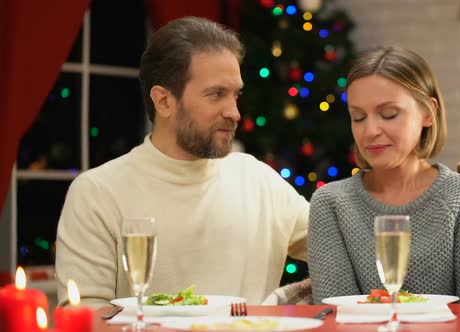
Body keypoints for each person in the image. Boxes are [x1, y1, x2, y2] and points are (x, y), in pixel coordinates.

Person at [55, 16, 309, 309]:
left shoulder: (258, 179)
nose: (234, 112)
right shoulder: (97, 193)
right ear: (163, 101)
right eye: (216, 94)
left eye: (236, 94)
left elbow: (346, 249)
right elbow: (86, 318)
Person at [308, 46, 460, 304]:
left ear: (428, 113)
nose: (370, 130)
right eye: (358, 117)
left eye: (388, 114)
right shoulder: (331, 203)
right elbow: (337, 315)